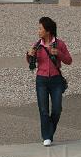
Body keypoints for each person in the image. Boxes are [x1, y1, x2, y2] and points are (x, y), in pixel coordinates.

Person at [26, 16, 72, 147]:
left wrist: (58, 53)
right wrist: (29, 55)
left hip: (56, 80)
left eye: (40, 28)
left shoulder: (60, 44)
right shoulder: (37, 45)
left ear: (48, 31)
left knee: (57, 109)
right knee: (43, 110)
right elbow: (31, 63)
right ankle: (47, 136)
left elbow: (69, 60)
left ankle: (49, 131)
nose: (38, 31)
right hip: (41, 80)